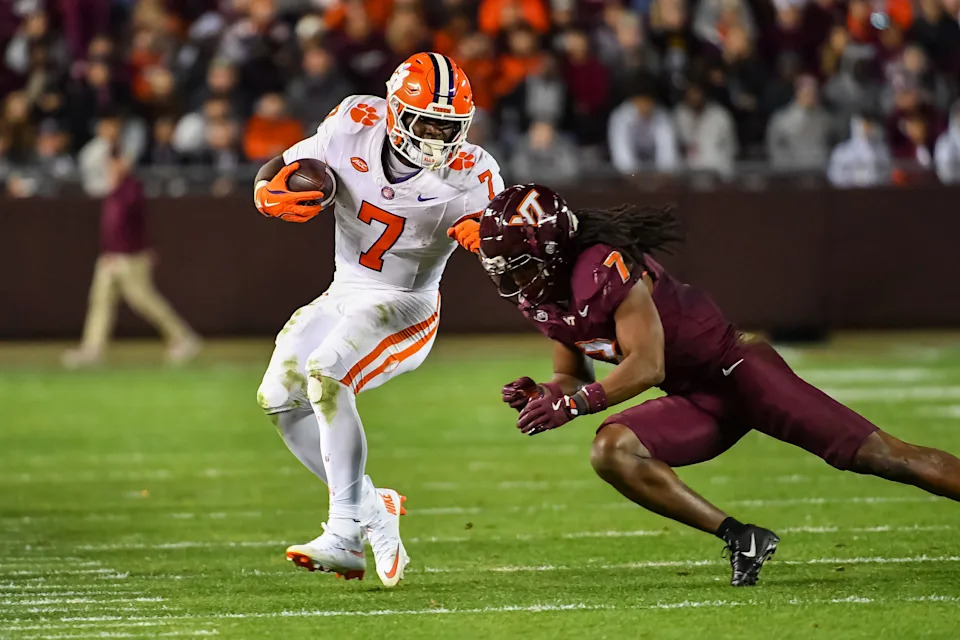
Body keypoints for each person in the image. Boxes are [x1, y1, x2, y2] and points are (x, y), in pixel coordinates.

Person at [451, 183, 960, 587]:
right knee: (612, 451)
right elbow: (572, 373)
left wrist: (576, 403)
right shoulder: (543, 292)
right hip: (695, 398)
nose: (511, 280)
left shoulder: (602, 266)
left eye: (517, 264)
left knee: (886, 457)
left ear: (553, 248)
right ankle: (741, 538)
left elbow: (647, 365)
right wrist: (549, 391)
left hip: (739, 372)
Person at [252, 52, 504, 587]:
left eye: (449, 126)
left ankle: (344, 534)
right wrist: (267, 192)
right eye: (427, 122)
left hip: (406, 305)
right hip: (344, 292)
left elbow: (502, 241)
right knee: (278, 397)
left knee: (326, 371)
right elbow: (281, 170)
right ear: (393, 111)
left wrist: (489, 237)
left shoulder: (474, 170)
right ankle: (371, 505)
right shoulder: (350, 125)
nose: (438, 137)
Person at [62, 152, 201, 368]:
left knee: (145, 301)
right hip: (111, 257)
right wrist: (109, 252)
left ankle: (183, 338)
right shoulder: (114, 190)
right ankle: (93, 349)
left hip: (130, 257)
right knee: (100, 302)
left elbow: (131, 225)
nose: (111, 168)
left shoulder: (131, 189)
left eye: (115, 163)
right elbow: (110, 227)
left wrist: (128, 251)